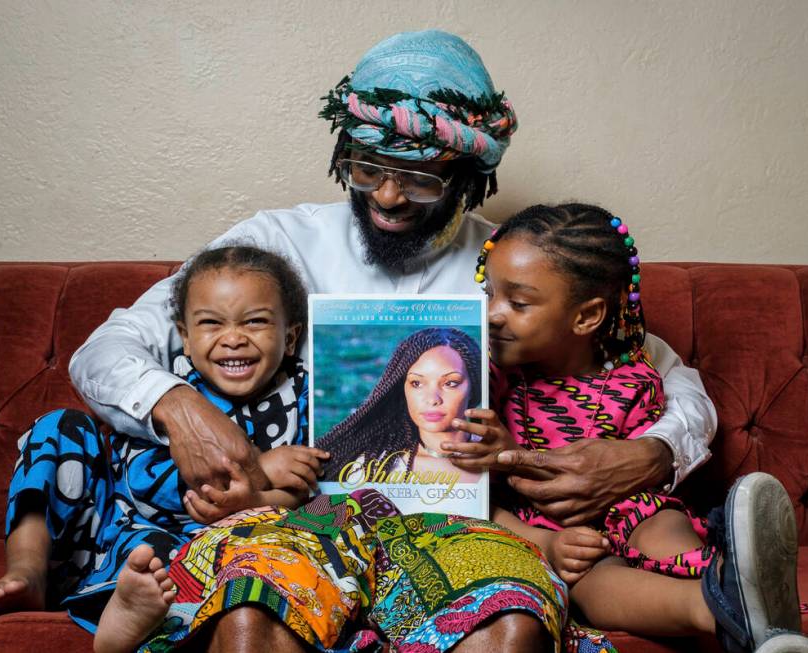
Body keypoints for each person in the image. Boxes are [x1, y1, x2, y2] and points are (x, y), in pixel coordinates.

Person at [67, 29, 716, 651]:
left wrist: (656, 452)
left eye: (420, 177)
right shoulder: (275, 244)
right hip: (296, 520)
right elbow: (105, 348)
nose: (385, 195)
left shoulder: (511, 268)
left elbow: (657, 367)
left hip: (460, 528)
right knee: (250, 608)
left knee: (511, 623)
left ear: (468, 173)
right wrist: (182, 409)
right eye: (366, 167)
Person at [443, 203, 808, 653]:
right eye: (489, 295)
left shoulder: (634, 378)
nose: (494, 314)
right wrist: (502, 460)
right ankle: (715, 608)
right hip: (537, 526)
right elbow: (470, 492)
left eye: (517, 303)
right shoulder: (485, 375)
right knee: (588, 581)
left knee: (664, 523)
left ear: (586, 317)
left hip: (630, 506)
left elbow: (637, 471)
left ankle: (730, 574)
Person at [0, 246, 328, 642]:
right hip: (122, 537)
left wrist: (255, 501)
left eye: (255, 323)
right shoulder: (171, 388)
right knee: (60, 426)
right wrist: (262, 470)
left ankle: (135, 620)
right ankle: (28, 569)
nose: (233, 339)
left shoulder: (305, 398)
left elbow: (306, 500)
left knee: (268, 553)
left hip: (219, 551)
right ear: (185, 335)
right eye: (211, 324)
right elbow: (144, 482)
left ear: (290, 337)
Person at [321, 327, 483, 483]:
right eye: (417, 383)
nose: (432, 399)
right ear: (403, 389)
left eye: (450, 383)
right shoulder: (370, 468)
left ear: (473, 388)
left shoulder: (496, 455)